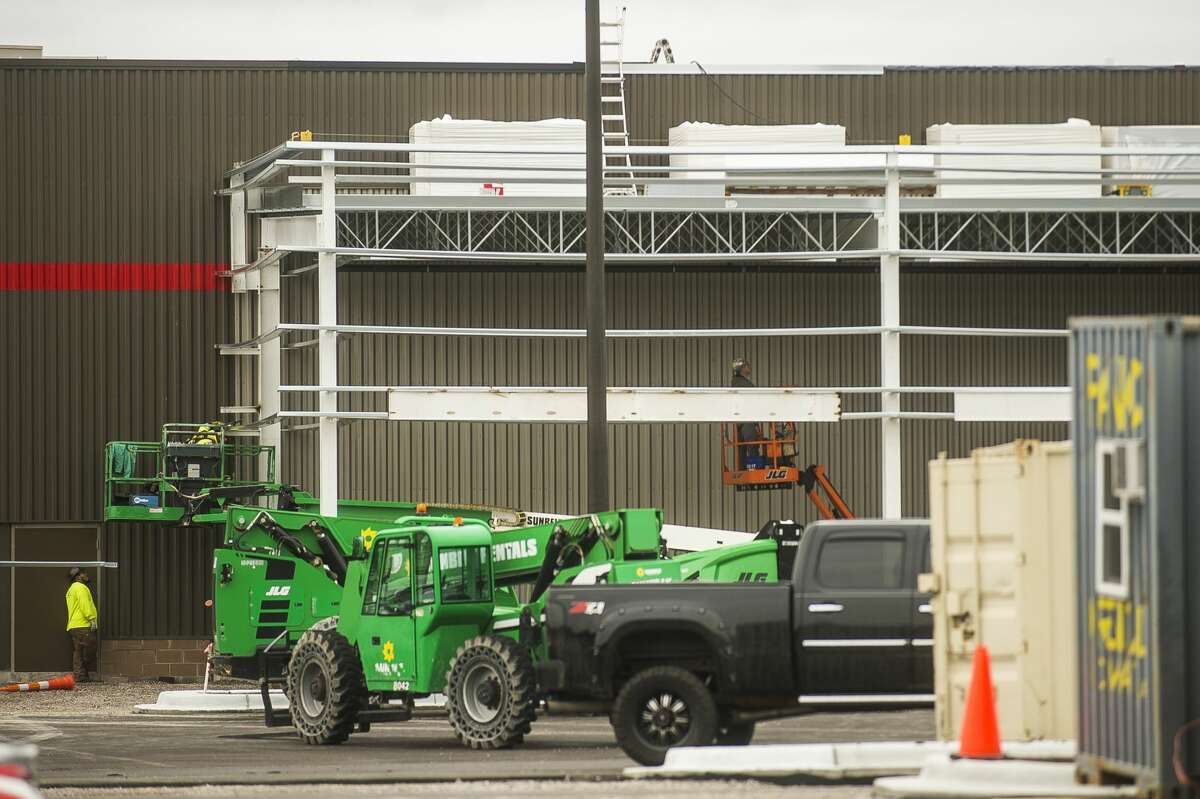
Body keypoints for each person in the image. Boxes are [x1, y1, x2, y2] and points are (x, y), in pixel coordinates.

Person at [65, 567, 99, 683]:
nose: (86, 575)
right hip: (82, 624)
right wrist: (92, 619)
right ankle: (81, 674)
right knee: (91, 647)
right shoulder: (81, 588)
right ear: (78, 576)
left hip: (73, 625)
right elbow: (84, 604)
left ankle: (80, 676)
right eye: (84, 573)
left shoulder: (71, 589)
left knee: (78, 651)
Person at [730, 358, 761, 469]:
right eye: (747, 366)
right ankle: (755, 471)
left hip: (739, 422)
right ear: (742, 369)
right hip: (748, 421)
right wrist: (756, 423)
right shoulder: (745, 384)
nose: (749, 368)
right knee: (752, 446)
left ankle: (742, 471)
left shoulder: (735, 382)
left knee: (741, 449)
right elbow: (754, 402)